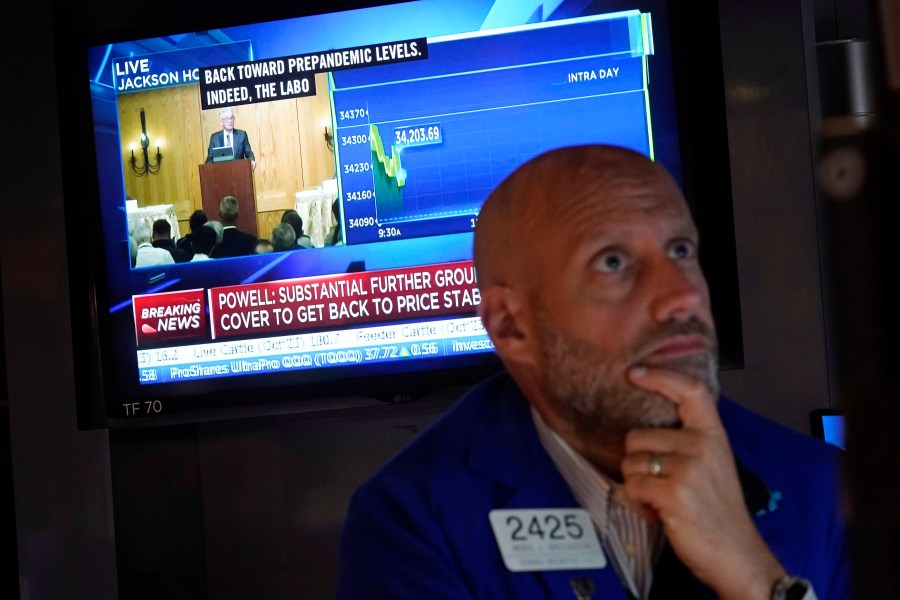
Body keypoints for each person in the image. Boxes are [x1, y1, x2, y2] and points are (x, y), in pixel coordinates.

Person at [336, 145, 849, 599]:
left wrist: (757, 580)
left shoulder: (823, 485)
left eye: (680, 251)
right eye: (612, 262)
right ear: (512, 326)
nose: (683, 295)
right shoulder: (416, 522)